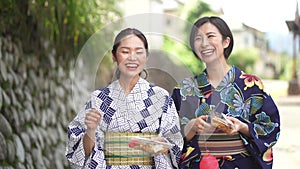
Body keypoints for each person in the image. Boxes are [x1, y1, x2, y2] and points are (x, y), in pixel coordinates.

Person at [171, 16, 280, 169]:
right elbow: (169, 137)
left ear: (225, 42)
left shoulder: (251, 85)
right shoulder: (182, 89)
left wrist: (242, 127)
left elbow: (271, 127)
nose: (204, 44)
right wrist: (191, 127)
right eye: (198, 39)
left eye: (210, 36)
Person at [65, 28, 183, 169]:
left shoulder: (161, 98)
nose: (132, 57)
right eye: (125, 51)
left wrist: (156, 145)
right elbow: (81, 153)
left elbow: (175, 145)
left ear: (146, 57)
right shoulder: (99, 99)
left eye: (139, 52)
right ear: (114, 56)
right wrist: (90, 130)